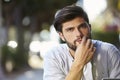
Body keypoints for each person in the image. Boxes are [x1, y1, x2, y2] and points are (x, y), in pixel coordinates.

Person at [43, 5, 120, 80]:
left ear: (89, 28)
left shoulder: (109, 52)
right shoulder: (53, 57)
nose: (78, 34)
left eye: (82, 26)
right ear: (61, 36)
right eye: (70, 29)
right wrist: (79, 62)